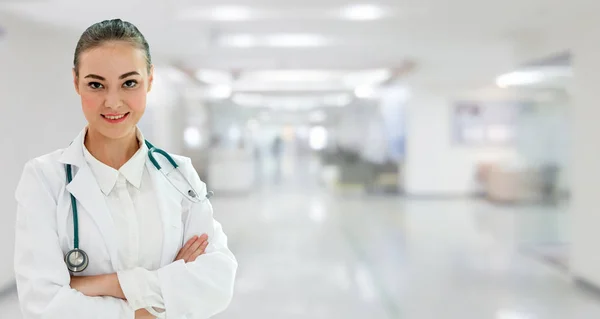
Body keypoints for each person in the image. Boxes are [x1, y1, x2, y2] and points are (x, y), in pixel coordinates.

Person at [13, 19, 237, 319]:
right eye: (96, 84)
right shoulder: (44, 179)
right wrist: (159, 299)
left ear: (150, 80)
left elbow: (217, 280)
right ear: (76, 82)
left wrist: (106, 284)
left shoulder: (179, 173)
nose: (113, 101)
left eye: (129, 83)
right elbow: (43, 305)